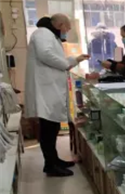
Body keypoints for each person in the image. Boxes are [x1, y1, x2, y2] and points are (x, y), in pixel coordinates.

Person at [24, 14, 89, 177]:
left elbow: (55, 58)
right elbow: (46, 55)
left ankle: (54, 160)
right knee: (48, 129)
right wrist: (67, 63)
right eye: (67, 28)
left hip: (50, 89)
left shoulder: (49, 35)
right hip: (45, 90)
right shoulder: (42, 33)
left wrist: (75, 60)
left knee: (53, 127)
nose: (67, 31)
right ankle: (50, 165)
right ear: (60, 25)